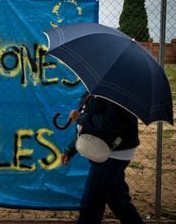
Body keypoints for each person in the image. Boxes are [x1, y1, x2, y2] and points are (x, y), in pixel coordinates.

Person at [61, 94, 144, 224]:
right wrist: (72, 148)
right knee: (117, 200)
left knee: (91, 202)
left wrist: (81, 118)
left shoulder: (116, 93)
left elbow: (111, 123)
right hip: (106, 151)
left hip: (113, 154)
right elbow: (87, 125)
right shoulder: (95, 90)